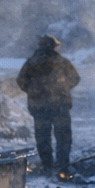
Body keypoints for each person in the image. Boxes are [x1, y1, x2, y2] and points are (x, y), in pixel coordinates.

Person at [17, 34, 81, 177]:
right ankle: (63, 165)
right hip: (60, 106)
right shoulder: (61, 62)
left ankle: (47, 165)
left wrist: (33, 92)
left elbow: (21, 81)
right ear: (53, 46)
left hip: (39, 107)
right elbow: (75, 78)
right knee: (63, 136)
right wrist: (63, 88)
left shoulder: (30, 63)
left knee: (42, 136)